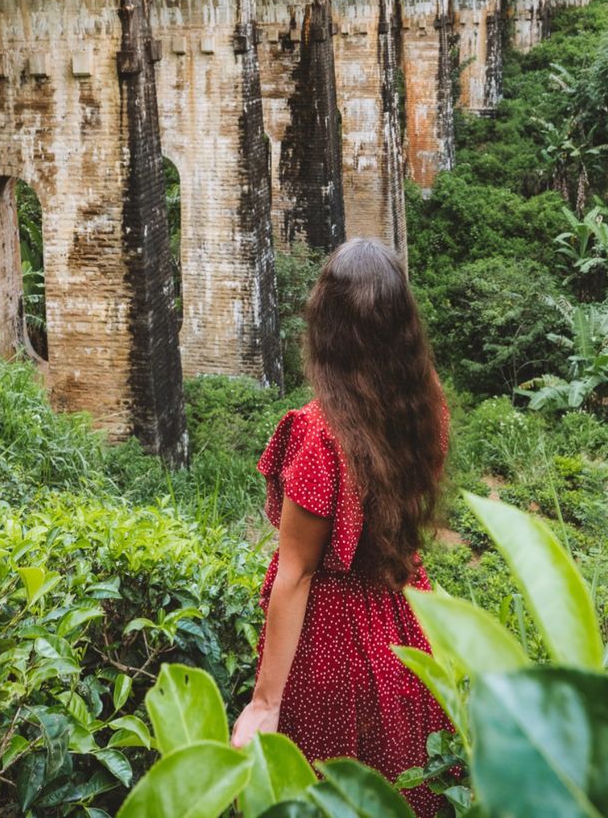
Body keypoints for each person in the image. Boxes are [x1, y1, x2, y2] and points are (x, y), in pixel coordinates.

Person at [231, 238, 456, 816]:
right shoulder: (425, 406)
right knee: (401, 787)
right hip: (409, 623)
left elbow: (297, 572)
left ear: (327, 327)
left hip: (332, 641)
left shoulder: (317, 435)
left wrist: (263, 702)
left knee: (321, 794)